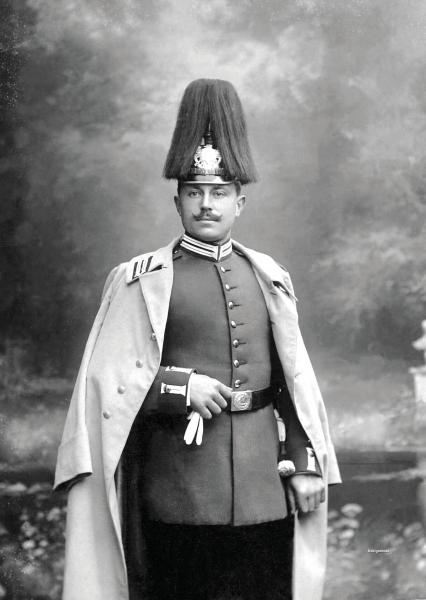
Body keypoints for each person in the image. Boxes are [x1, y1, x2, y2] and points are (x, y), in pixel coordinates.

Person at [54, 79, 341, 600]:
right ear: (177, 201)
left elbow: (293, 384)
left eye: (219, 193)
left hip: (264, 493)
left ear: (240, 202)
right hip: (178, 496)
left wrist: (304, 465)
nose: (206, 204)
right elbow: (105, 384)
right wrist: (178, 387)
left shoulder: (268, 277)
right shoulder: (139, 280)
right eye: (194, 192)